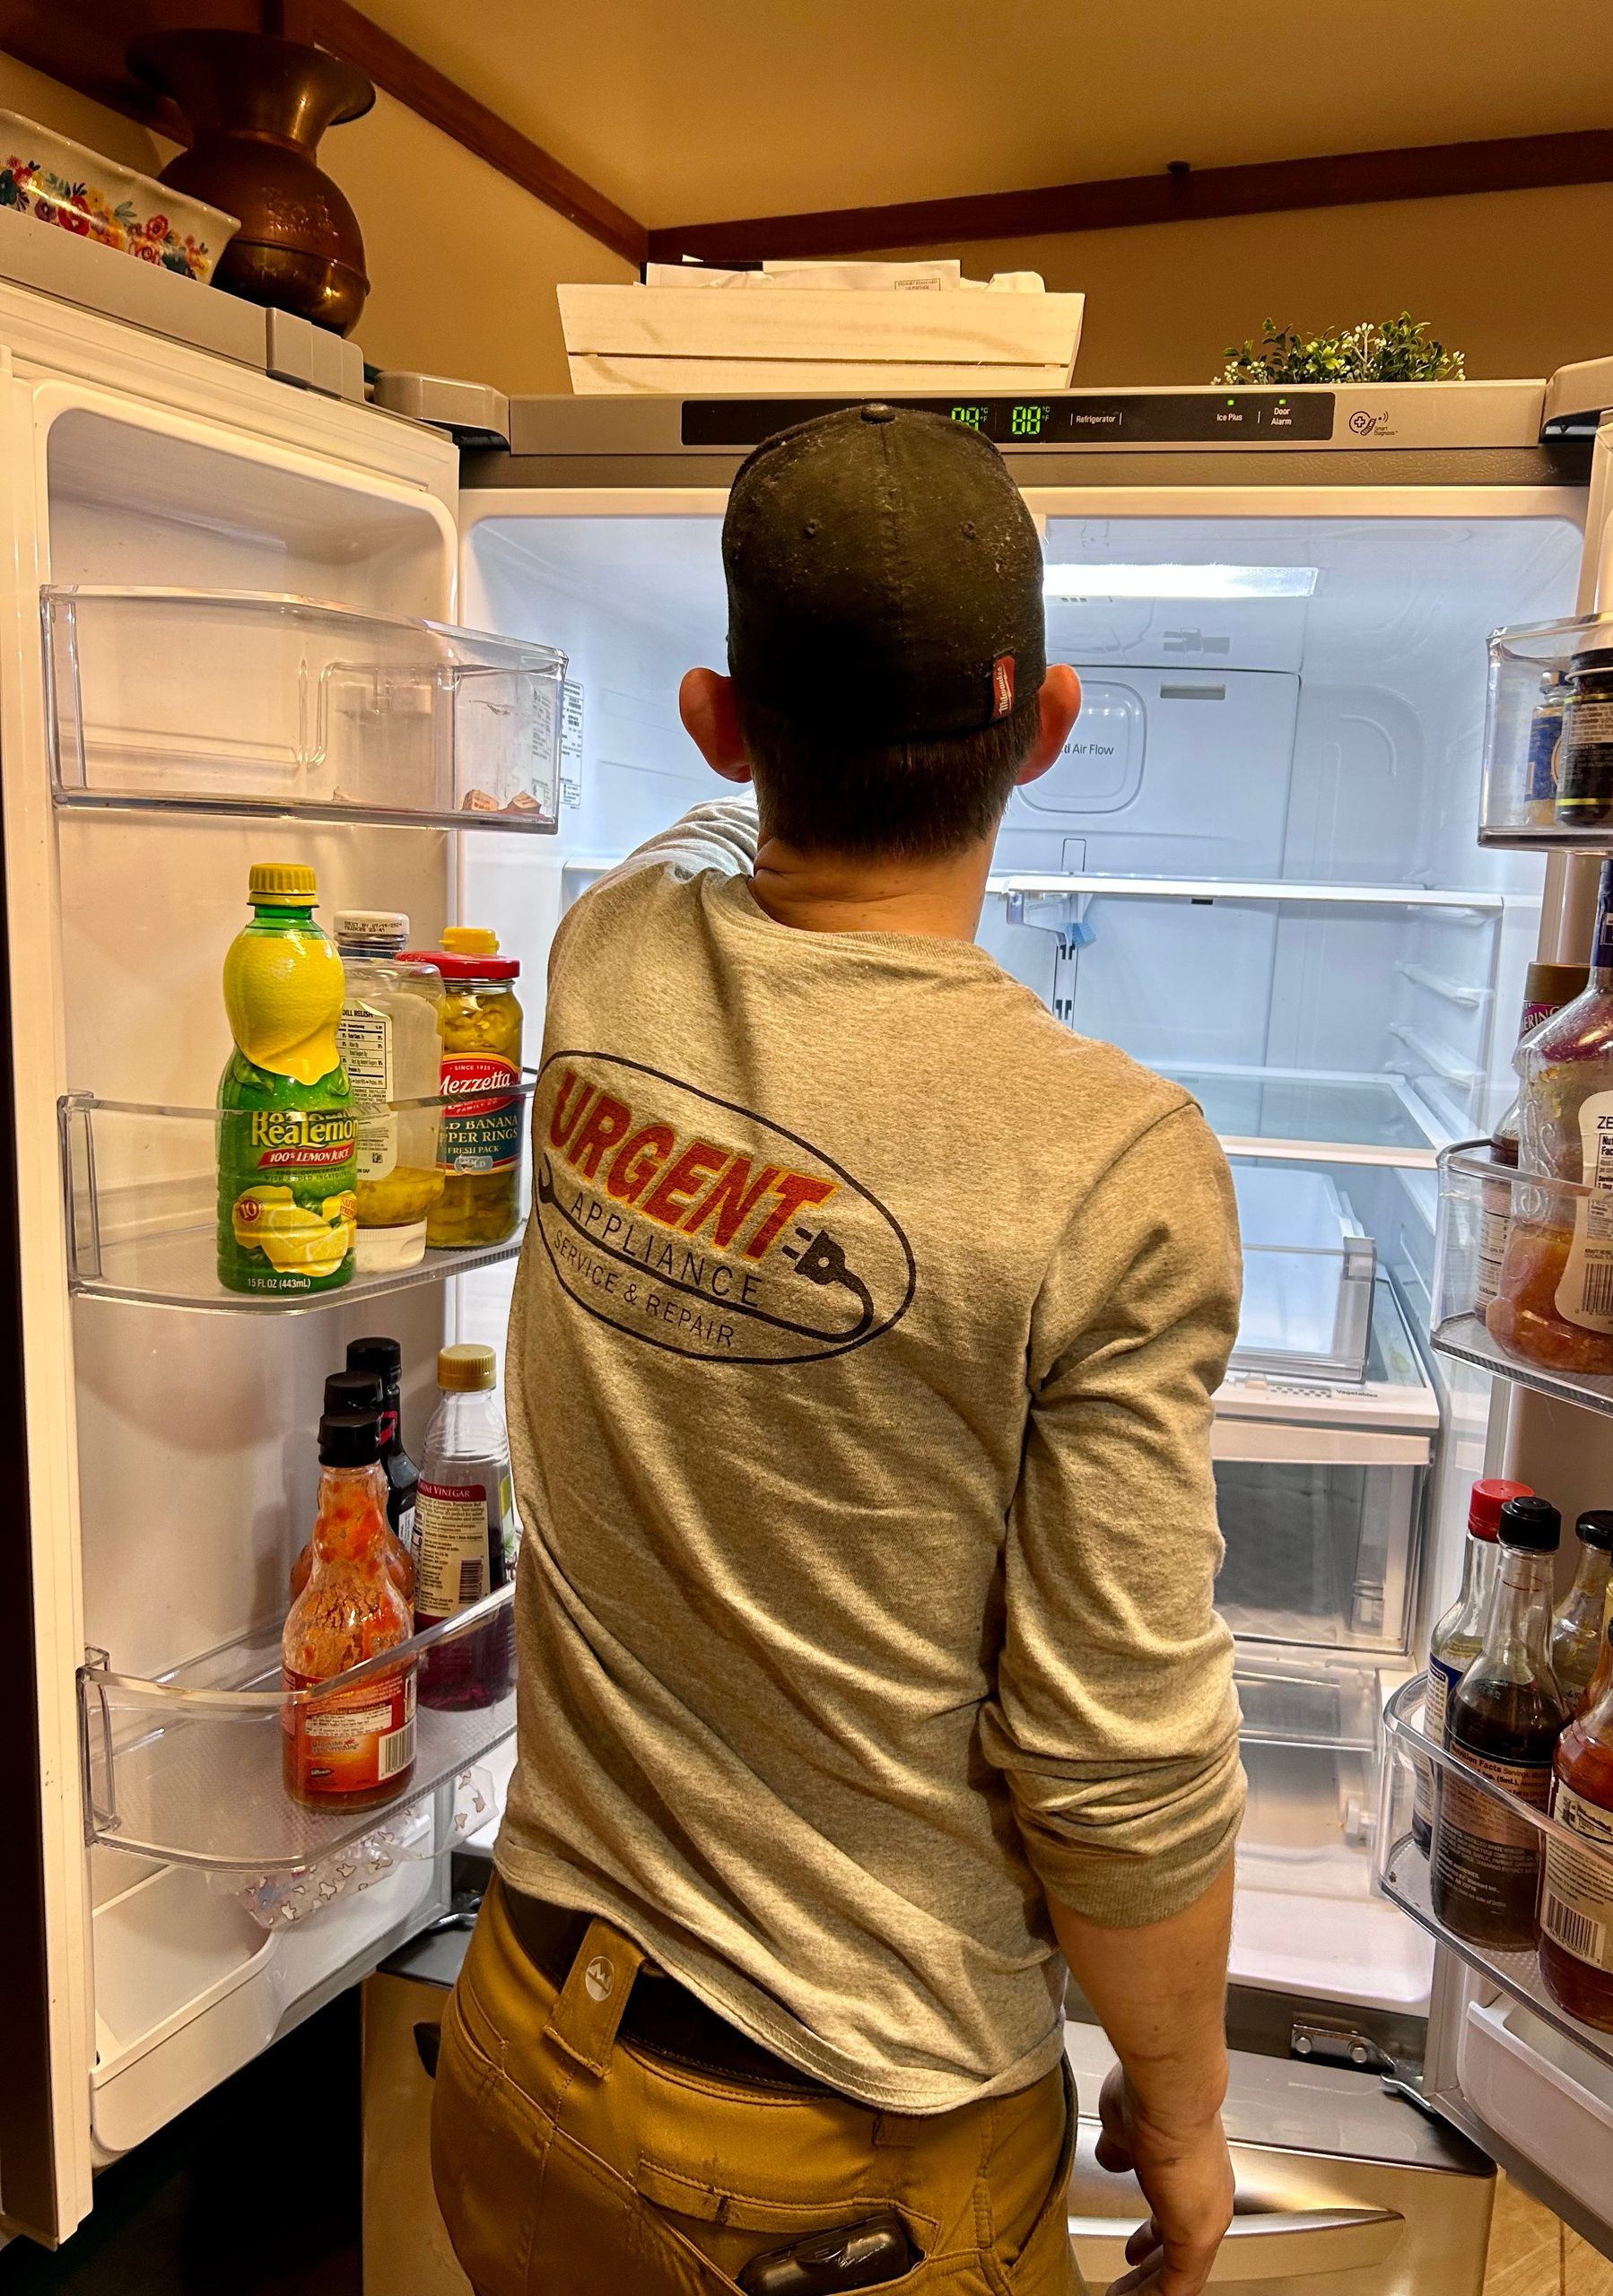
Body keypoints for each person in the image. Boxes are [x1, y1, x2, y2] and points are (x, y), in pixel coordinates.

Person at [432, 404, 1244, 2296]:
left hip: (526, 2046)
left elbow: (717, 836)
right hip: (836, 2173)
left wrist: (774, 752)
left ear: (722, 719)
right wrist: (1186, 2113)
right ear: (1046, 725)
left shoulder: (611, 949)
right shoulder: (1112, 1163)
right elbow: (1112, 1758)